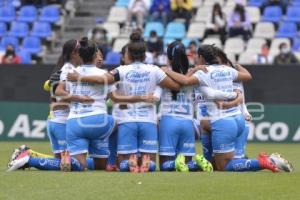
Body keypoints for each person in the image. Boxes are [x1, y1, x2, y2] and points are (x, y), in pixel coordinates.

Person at [67, 32, 181, 173]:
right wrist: (166, 73)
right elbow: (176, 86)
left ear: (128, 55)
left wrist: (80, 77)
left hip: (126, 121)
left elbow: (102, 80)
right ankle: (146, 163)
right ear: (145, 55)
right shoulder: (155, 70)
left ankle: (126, 163)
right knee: (151, 163)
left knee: (123, 164)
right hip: (148, 121)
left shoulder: (120, 71)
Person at [161, 44, 284, 172]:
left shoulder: (203, 72)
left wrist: (167, 71)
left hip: (223, 121)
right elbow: (247, 76)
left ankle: (262, 162)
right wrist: (237, 66)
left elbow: (184, 81)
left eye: (198, 57)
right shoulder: (226, 69)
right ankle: (194, 164)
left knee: (224, 166)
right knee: (212, 163)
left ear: (201, 57)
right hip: (237, 118)